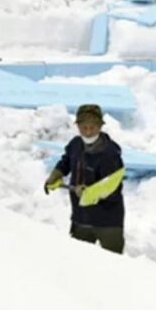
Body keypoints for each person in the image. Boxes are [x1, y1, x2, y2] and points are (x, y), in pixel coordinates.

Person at [44, 104, 126, 254]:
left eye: (92, 127)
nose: (88, 132)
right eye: (84, 127)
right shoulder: (75, 145)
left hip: (107, 222)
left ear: (100, 127)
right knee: (79, 263)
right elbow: (67, 161)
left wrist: (90, 193)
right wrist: (57, 173)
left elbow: (113, 189)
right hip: (81, 218)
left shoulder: (110, 154)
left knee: (113, 265)